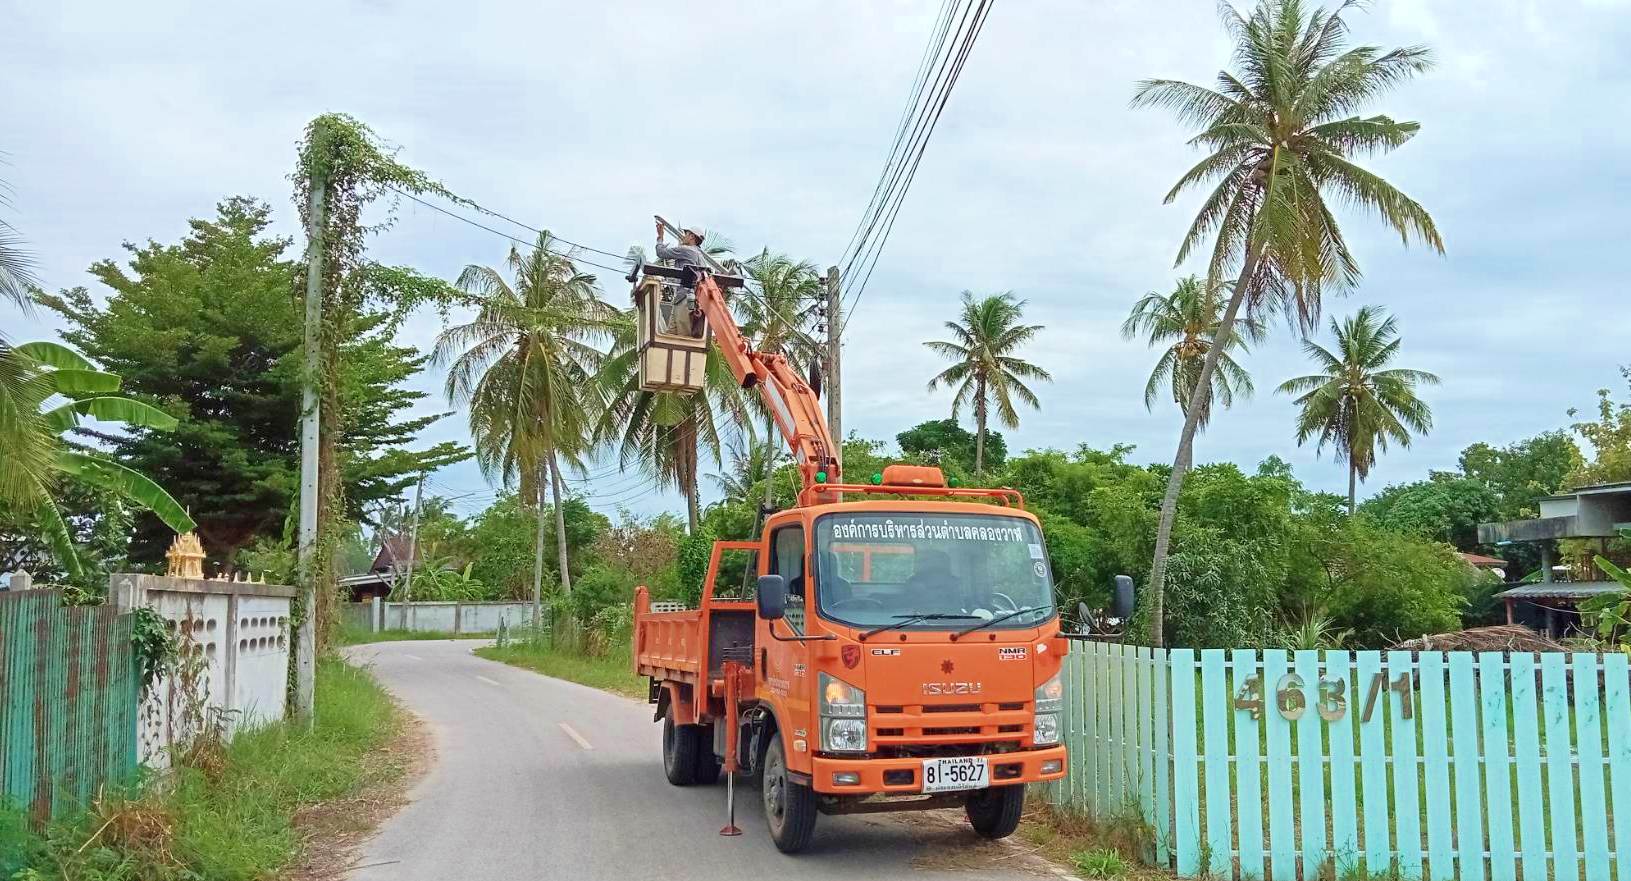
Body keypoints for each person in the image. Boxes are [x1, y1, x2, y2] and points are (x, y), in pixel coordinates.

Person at [654, 223, 707, 336]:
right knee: (671, 334)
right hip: (684, 299)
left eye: (686, 234)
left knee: (683, 336)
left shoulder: (687, 250)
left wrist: (660, 237)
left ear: (692, 236)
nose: (684, 236)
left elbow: (661, 253)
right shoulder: (700, 256)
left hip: (684, 299)